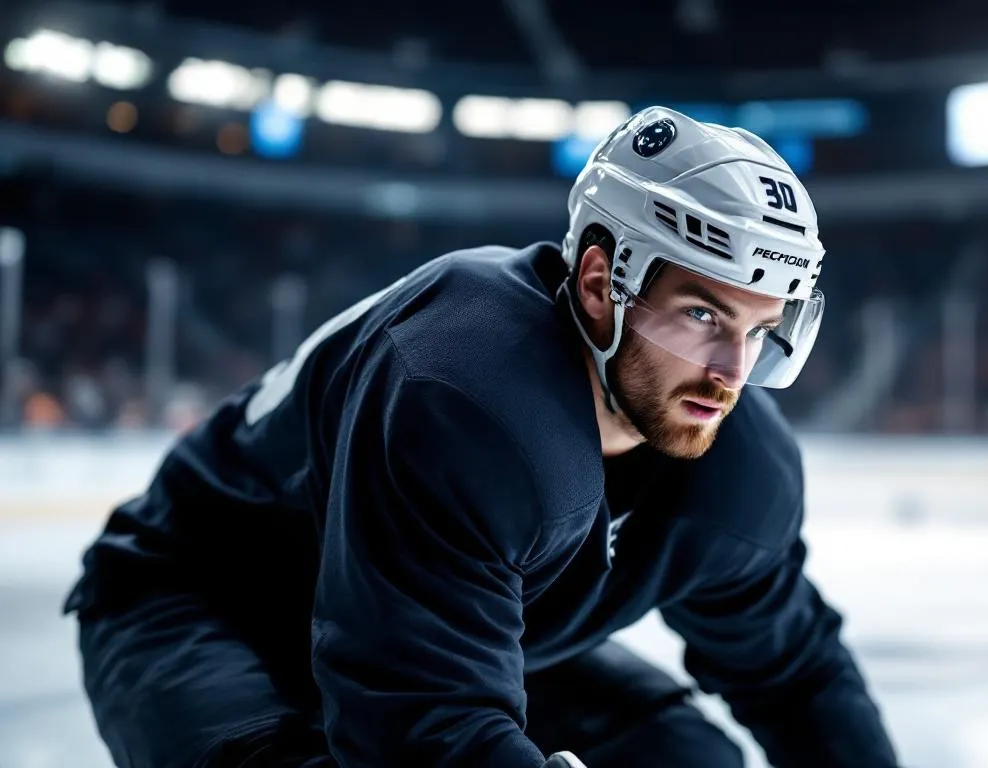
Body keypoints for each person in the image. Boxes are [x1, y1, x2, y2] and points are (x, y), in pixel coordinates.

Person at [64, 106, 902, 768]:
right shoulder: (463, 387)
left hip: (429, 620)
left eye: (760, 330)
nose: (731, 372)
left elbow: (797, 676)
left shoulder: (741, 467)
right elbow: (420, 721)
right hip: (213, 602)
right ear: (602, 284)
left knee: (686, 757)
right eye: (702, 316)